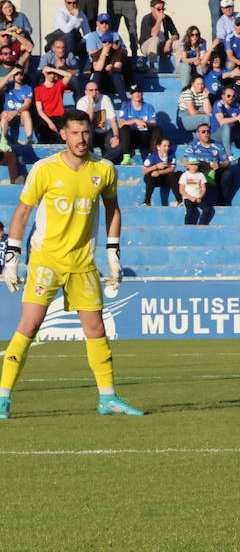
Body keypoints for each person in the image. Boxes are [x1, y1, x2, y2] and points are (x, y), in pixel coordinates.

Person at [0, 111, 140, 418]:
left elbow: (113, 210)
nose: (81, 139)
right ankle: (3, 398)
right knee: (29, 325)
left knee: (96, 328)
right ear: (63, 135)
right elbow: (23, 212)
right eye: (75, 133)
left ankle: (108, 399)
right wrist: (12, 257)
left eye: (86, 133)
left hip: (83, 262)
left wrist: (113, 252)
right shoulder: (44, 169)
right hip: (46, 260)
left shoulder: (103, 169)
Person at [141, 136, 178, 206]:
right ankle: (147, 201)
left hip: (164, 178)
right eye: (164, 145)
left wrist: (159, 172)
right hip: (154, 179)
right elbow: (145, 171)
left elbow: (172, 168)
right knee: (150, 177)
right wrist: (156, 166)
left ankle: (179, 201)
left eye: (168, 146)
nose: (167, 148)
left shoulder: (171, 154)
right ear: (158, 146)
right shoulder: (152, 156)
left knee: (172, 176)